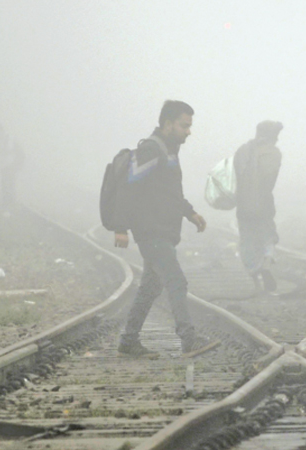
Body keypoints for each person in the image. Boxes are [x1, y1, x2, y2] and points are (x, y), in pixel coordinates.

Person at [115, 100, 210, 358]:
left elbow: (168, 192)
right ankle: (189, 338)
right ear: (167, 124)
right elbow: (128, 187)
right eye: (184, 125)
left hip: (162, 230)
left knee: (151, 287)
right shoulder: (151, 150)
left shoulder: (169, 150)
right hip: (151, 231)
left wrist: (189, 212)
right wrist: (120, 227)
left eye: (189, 126)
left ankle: (128, 341)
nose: (188, 131)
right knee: (176, 280)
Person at [234, 121, 283, 292]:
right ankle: (267, 263)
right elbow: (270, 180)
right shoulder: (273, 153)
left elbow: (235, 175)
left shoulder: (242, 151)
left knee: (247, 240)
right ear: (272, 136)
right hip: (263, 205)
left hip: (243, 205)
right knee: (267, 236)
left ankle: (254, 277)